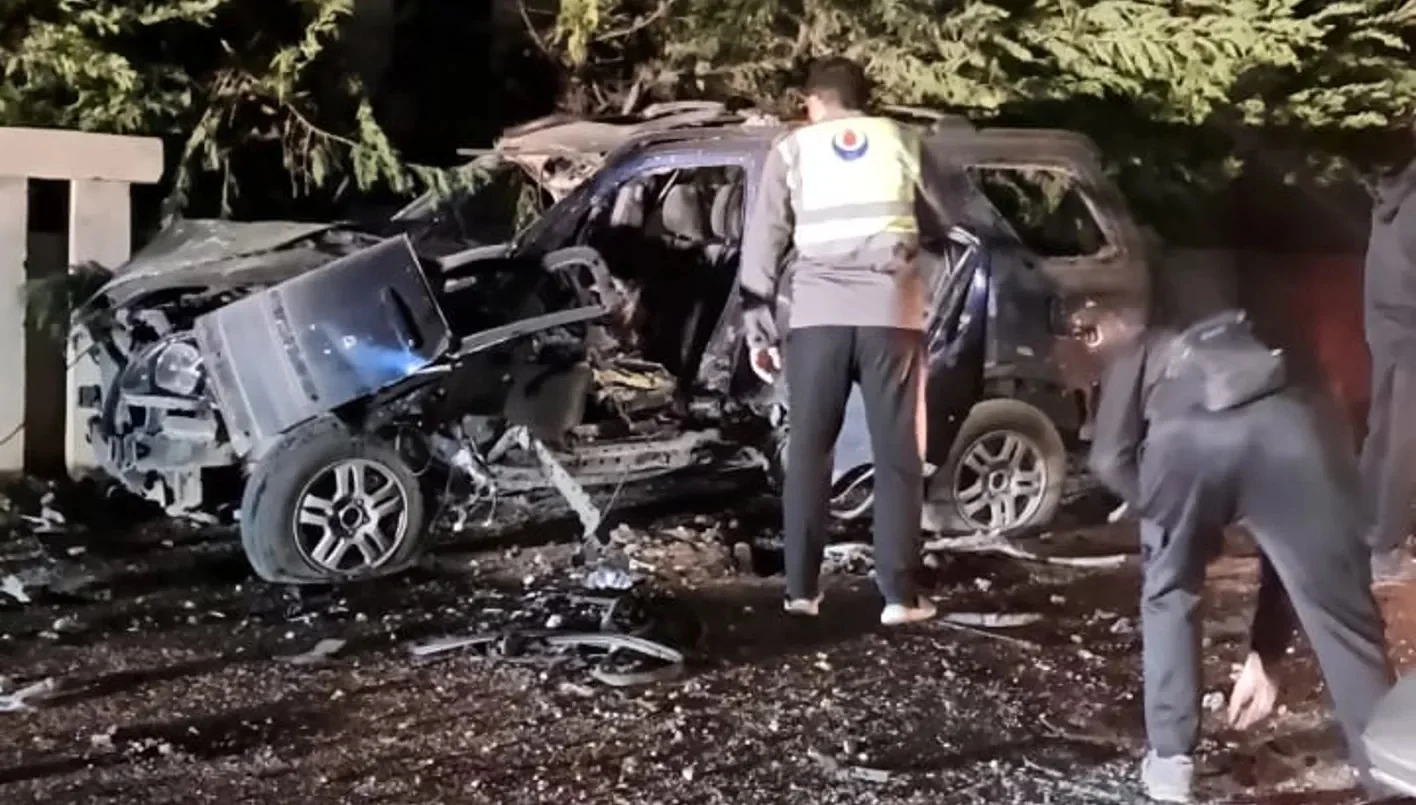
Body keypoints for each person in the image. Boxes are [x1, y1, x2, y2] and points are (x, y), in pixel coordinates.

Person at [1089, 308, 1395, 803]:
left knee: (1169, 589)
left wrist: (1166, 518)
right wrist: (1266, 652)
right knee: (1342, 619)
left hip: (1184, 446)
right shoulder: (1280, 321)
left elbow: (1109, 458)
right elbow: (1294, 555)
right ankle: (1394, 771)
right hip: (1295, 437)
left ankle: (1171, 765)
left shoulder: (1143, 334)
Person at [738, 56, 938, 626]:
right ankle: (899, 596)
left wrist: (758, 325)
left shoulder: (792, 149)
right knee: (898, 454)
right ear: (860, 99)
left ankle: (801, 591)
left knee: (809, 451)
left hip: (817, 318)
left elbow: (763, 240)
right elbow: (946, 221)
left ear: (813, 101)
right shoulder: (903, 140)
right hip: (891, 316)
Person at [1360, 120, 1416, 586]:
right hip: (1410, 331)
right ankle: (1384, 550)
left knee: (1382, 436)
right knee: (1403, 444)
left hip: (1385, 326)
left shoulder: (1394, 192)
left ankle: (1366, 533)